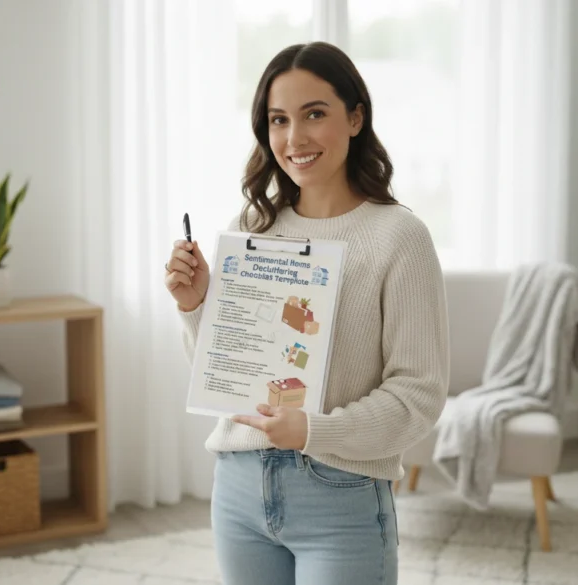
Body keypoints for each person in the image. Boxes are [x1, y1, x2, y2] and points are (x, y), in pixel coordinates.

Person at [163, 41, 449, 585]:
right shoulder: (252, 226)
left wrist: (314, 430)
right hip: (240, 489)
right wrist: (195, 304)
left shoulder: (400, 238)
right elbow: (224, 370)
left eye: (314, 114)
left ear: (356, 116)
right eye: (278, 120)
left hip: (340, 496)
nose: (294, 139)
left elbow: (418, 395)